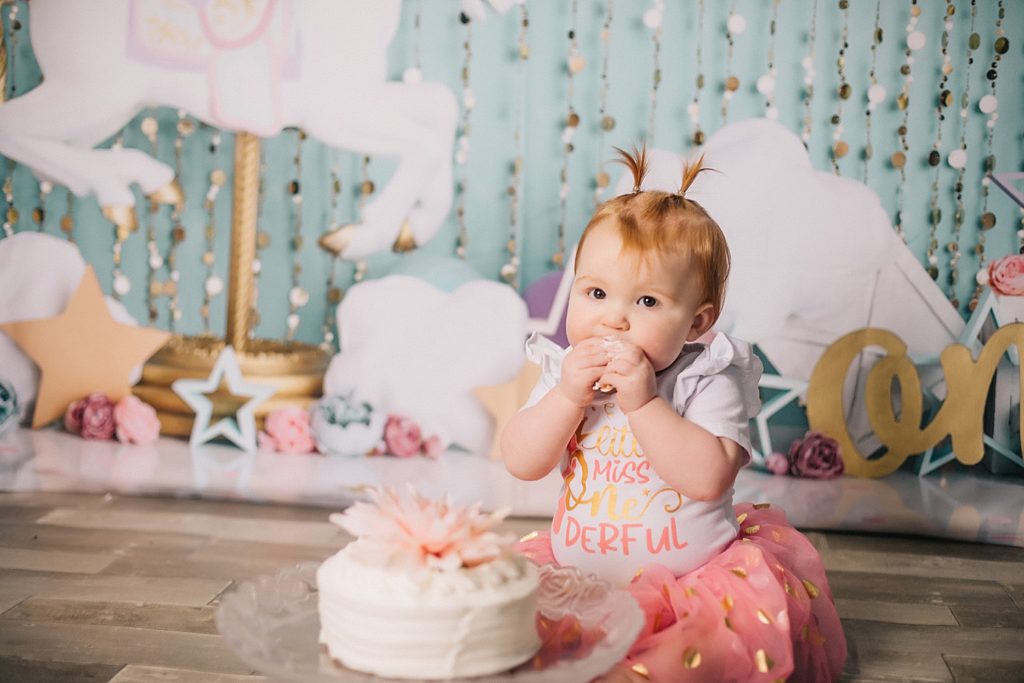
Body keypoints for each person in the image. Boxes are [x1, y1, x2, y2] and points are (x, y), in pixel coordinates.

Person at [501, 146, 846, 682]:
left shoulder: (706, 377)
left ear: (696, 321)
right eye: (595, 292)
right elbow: (522, 461)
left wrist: (644, 402)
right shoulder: (565, 371)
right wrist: (567, 398)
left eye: (646, 303)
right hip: (578, 575)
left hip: (690, 587)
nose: (613, 318)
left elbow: (708, 478)